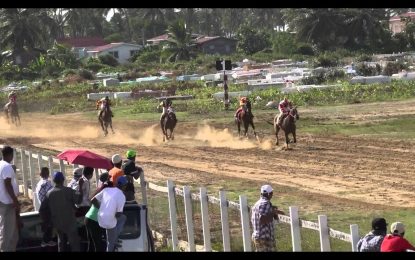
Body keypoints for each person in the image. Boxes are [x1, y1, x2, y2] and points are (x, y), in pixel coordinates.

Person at [43, 171, 82, 252]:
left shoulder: (49, 194)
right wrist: (80, 186)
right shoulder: (69, 191)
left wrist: (49, 222)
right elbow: (79, 201)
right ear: (63, 179)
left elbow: (43, 209)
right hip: (70, 222)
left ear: (53, 181)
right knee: (74, 243)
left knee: (61, 243)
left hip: (57, 223)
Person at [92, 176, 128, 252]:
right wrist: (112, 212)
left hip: (100, 217)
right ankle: (115, 239)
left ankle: (114, 238)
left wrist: (102, 208)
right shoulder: (122, 196)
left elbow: (93, 200)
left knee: (120, 219)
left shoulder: (106, 189)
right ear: (124, 186)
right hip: (109, 221)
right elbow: (118, 214)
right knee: (111, 243)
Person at [250, 184, 284, 252]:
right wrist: (273, 213)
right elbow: (262, 219)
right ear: (268, 194)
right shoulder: (265, 203)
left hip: (259, 236)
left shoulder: (258, 203)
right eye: (271, 193)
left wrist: (272, 210)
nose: (272, 195)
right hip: (264, 238)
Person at [84, 173, 113, 252]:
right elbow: (93, 200)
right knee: (98, 245)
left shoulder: (100, 189)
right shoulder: (105, 193)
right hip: (94, 220)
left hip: (89, 218)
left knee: (92, 245)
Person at [0, 146, 20, 251]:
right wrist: (15, 201)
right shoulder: (7, 166)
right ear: (11, 155)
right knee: (7, 234)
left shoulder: (1, 165)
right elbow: (8, 184)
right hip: (7, 203)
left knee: (13, 234)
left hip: (5, 202)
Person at [35, 167, 56, 247]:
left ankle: (46, 240)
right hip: (47, 207)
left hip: (42, 206)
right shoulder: (47, 183)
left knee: (47, 224)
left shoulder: (39, 183)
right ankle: (46, 241)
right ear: (48, 174)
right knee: (49, 224)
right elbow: (51, 194)